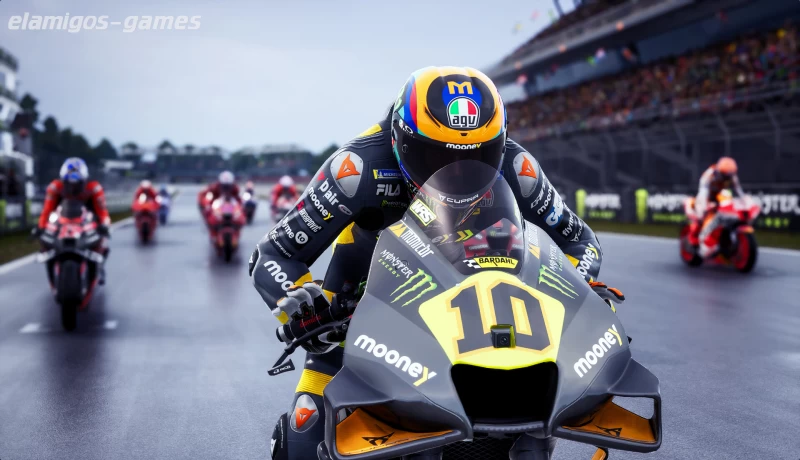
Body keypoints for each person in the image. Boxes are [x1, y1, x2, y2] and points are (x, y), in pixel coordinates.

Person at [249, 67, 624, 460]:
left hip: (481, 312)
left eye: (478, 155)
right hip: (356, 312)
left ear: (500, 142)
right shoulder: (356, 169)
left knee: (545, 402)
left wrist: (574, 287)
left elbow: (581, 242)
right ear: (400, 139)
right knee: (304, 438)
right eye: (436, 156)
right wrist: (302, 307)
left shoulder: (519, 169)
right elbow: (273, 254)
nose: (457, 171)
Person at [34, 158, 111, 283]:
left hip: (87, 221)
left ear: (84, 180)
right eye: (69, 183)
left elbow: (102, 211)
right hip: (62, 220)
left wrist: (104, 225)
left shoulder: (94, 188)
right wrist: (41, 227)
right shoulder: (55, 187)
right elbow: (47, 210)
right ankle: (52, 264)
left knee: (103, 241)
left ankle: (100, 267)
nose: (73, 187)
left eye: (77, 184)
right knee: (45, 240)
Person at [692, 156, 746, 257]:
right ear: (719, 172)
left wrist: (745, 203)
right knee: (701, 214)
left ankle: (722, 236)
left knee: (729, 208)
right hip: (707, 195)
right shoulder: (708, 176)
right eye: (725, 176)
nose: (727, 179)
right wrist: (705, 206)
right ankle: (701, 241)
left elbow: (739, 191)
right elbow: (703, 193)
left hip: (719, 195)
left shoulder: (731, 176)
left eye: (729, 176)